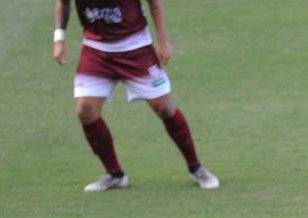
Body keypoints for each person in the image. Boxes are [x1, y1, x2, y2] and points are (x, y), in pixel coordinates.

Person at [53, 0, 219, 192]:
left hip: (136, 49)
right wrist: (59, 39)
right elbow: (63, 3)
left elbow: (155, 3)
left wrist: (163, 41)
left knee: (165, 108)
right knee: (85, 111)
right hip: (96, 51)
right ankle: (115, 175)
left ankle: (196, 167)